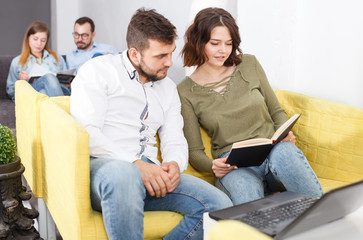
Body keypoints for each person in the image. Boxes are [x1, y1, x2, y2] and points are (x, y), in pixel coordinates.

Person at [70, 8, 232, 240]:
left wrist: (174, 164)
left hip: (153, 172)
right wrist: (135, 164)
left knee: (219, 205)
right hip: (106, 169)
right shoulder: (98, 72)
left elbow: (174, 137)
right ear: (135, 54)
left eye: (171, 53)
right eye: (160, 56)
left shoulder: (168, 89)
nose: (169, 62)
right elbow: (87, 133)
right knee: (124, 174)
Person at [178, 7, 324, 206]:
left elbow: (276, 111)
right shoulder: (185, 91)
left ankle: (322, 214)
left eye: (229, 44)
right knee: (250, 211)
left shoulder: (250, 64)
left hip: (273, 152)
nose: (223, 50)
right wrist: (214, 166)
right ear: (198, 41)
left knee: (285, 152)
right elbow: (194, 152)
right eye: (215, 43)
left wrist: (285, 134)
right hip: (234, 165)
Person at [6, 21, 69, 101]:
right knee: (49, 77)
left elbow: (66, 79)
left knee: (43, 93)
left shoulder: (56, 58)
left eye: (43, 40)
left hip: (56, 92)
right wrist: (21, 82)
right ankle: (61, 109)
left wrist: (67, 83)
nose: (39, 43)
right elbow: (10, 91)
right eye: (35, 39)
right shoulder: (17, 62)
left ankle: (56, 111)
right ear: (28, 38)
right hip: (31, 93)